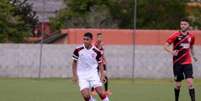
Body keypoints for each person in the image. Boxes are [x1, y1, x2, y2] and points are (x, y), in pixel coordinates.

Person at [164, 18, 198, 101]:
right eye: (181, 24)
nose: (183, 26)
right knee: (178, 85)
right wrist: (172, 52)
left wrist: (193, 55)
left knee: (190, 83)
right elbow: (165, 46)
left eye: (185, 24)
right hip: (177, 63)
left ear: (188, 25)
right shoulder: (175, 35)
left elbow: (191, 46)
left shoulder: (191, 36)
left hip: (187, 62)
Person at [72, 32, 110, 101]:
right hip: (82, 75)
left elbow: (100, 63)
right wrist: (74, 75)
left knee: (101, 93)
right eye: (84, 39)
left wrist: (102, 75)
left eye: (87, 39)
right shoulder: (78, 50)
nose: (85, 41)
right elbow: (74, 62)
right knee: (86, 96)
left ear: (91, 40)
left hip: (93, 74)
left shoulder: (96, 51)